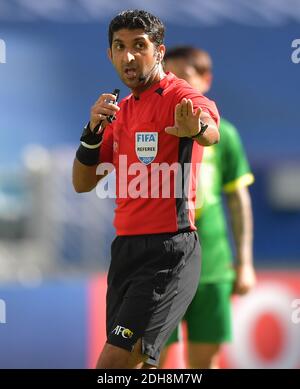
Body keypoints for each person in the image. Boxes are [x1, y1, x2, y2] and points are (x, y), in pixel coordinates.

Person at [72, 11, 220, 369]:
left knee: (113, 365)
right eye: (120, 47)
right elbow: (82, 182)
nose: (129, 56)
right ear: (109, 54)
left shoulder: (178, 95)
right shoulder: (119, 112)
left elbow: (210, 130)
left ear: (159, 52)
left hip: (169, 250)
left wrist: (195, 129)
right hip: (125, 250)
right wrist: (91, 133)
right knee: (138, 367)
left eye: (140, 46)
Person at [160, 46, 256, 369]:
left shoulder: (224, 136)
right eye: (168, 77)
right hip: (161, 266)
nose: (177, 87)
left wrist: (244, 263)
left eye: (185, 78)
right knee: (151, 362)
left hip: (211, 266)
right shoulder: (154, 132)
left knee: (204, 364)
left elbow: (238, 199)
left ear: (206, 80)